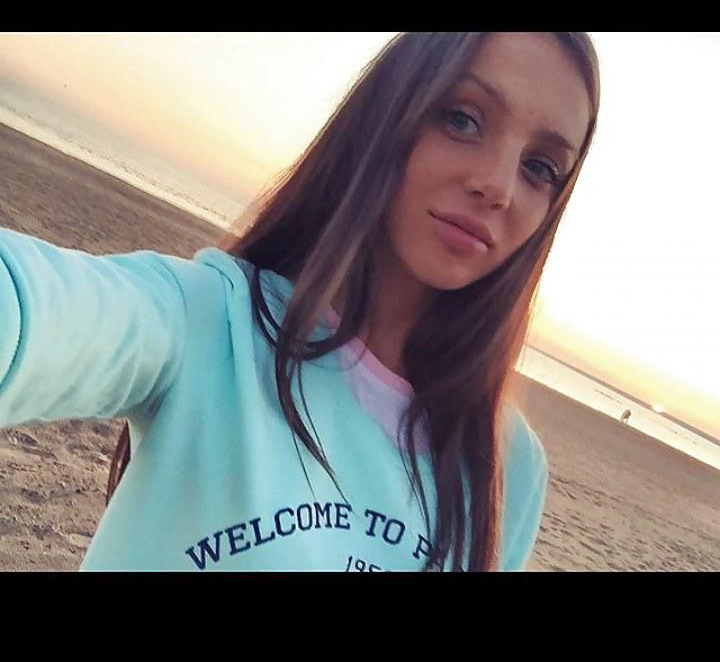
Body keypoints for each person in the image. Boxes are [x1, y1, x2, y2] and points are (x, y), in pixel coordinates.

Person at [0, 32, 600, 571]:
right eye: (463, 120)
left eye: (540, 167)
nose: (498, 185)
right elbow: (37, 309)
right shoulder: (211, 322)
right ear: (390, 113)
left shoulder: (506, 466)